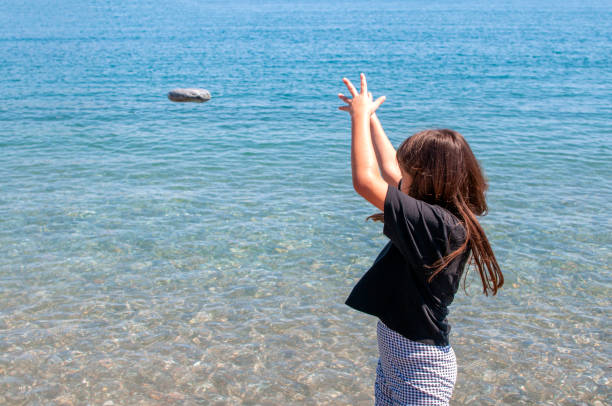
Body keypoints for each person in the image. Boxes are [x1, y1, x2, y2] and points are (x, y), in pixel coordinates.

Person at [338, 74, 503, 406]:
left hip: (420, 369)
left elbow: (366, 181)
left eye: (409, 169)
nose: (402, 174)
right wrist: (371, 117)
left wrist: (356, 118)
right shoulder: (435, 212)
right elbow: (387, 169)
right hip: (399, 359)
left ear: (428, 178)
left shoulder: (439, 226)